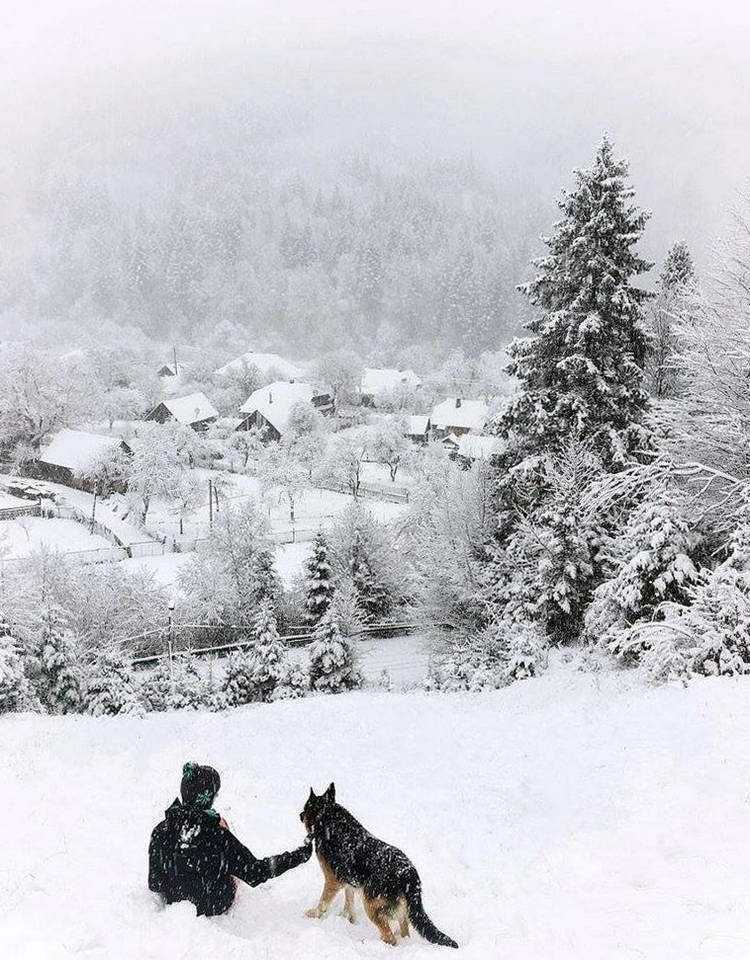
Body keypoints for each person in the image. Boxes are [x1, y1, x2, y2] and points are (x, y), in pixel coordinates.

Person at [148, 762, 312, 916]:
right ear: (206, 797)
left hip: (175, 902)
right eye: (215, 794)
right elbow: (254, 873)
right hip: (212, 903)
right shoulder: (217, 835)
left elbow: (155, 883)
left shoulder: (161, 830)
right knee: (225, 843)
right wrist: (299, 856)